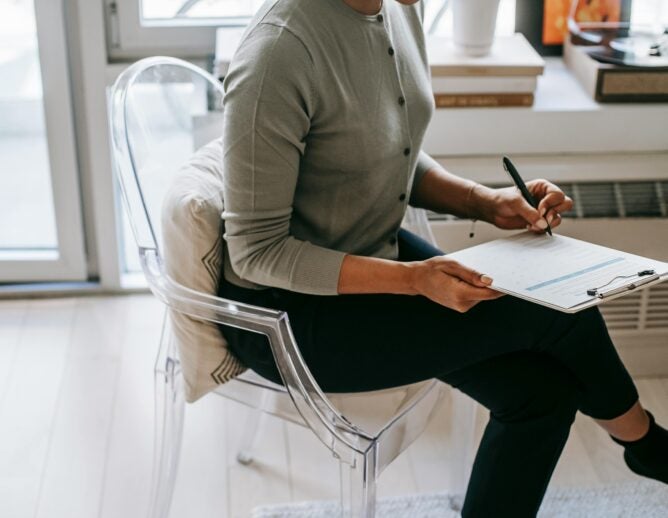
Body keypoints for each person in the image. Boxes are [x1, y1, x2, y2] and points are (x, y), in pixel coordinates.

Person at [216, 0, 668, 515]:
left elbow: (384, 150)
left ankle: (647, 447)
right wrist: (413, 280)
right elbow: (256, 251)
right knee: (560, 312)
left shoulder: (397, 8)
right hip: (286, 317)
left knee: (542, 395)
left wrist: (486, 201)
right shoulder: (278, 54)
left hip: (372, 252)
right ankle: (648, 446)